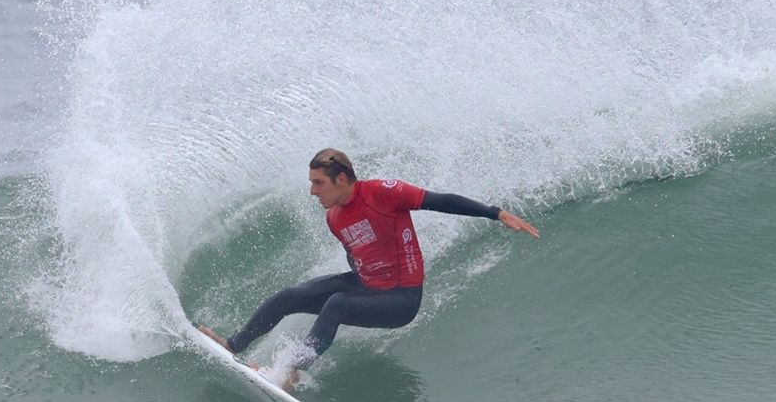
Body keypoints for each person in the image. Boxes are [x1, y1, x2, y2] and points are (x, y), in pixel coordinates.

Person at [198, 148, 539, 389]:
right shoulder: (334, 217)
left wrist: (495, 213)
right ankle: (234, 345)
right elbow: (355, 254)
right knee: (291, 297)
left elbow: (441, 201)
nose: (312, 191)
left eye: (318, 183)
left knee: (337, 304)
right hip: (366, 286)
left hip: (401, 299)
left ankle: (292, 374)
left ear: (342, 178)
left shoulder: (384, 193)